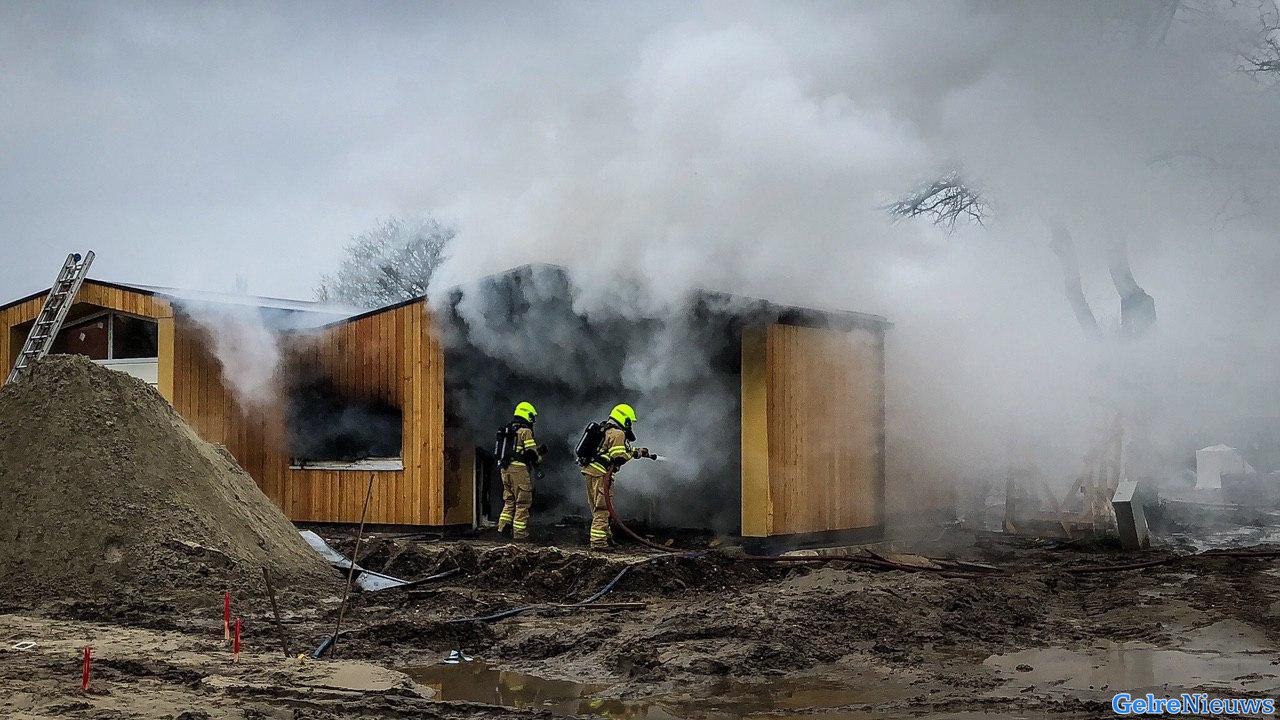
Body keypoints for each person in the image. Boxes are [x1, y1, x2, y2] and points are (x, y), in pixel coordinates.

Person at [580, 403, 650, 550]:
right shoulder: (618, 434)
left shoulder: (606, 430)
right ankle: (598, 542)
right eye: (630, 421)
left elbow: (618, 451)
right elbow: (619, 457)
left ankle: (607, 537)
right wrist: (633, 454)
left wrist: (637, 452)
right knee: (603, 509)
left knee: (599, 508)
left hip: (591, 472)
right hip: (601, 474)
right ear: (625, 420)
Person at [496, 401, 545, 541]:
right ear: (526, 414)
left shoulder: (509, 430)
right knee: (522, 502)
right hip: (519, 470)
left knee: (509, 501)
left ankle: (502, 529)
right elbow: (532, 454)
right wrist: (540, 454)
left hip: (505, 469)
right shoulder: (525, 431)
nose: (532, 420)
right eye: (531, 416)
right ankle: (519, 534)